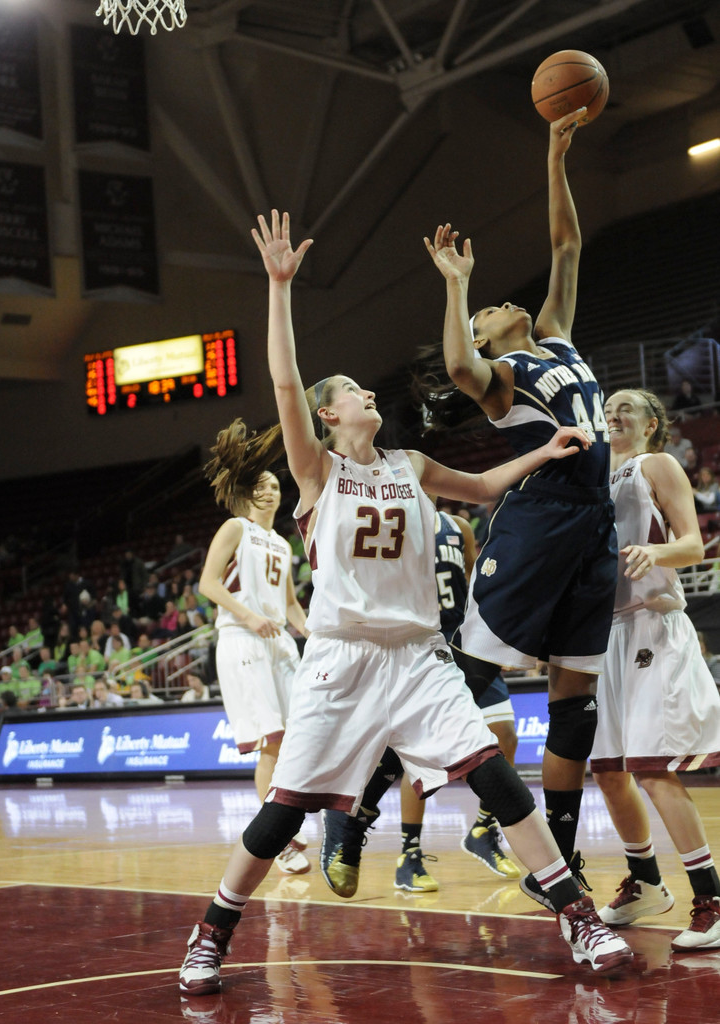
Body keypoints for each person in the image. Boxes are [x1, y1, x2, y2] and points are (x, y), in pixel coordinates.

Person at [177, 209, 632, 999]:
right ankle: (211, 932)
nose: (366, 392)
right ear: (328, 415)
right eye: (351, 391)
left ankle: (578, 918)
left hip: (419, 655)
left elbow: (483, 487)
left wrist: (544, 450)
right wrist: (279, 288)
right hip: (341, 660)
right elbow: (284, 380)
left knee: (495, 777)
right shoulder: (316, 472)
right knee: (283, 812)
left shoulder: (410, 464)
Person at [424, 109, 616, 904]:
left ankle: (556, 862)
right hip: (538, 522)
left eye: (495, 302)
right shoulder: (499, 381)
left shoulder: (557, 337)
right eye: (486, 314)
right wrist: (457, 288)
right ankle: (389, 801)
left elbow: (566, 246)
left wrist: (555, 154)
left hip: (594, 525)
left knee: (575, 705)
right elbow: (457, 368)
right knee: (468, 671)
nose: (501, 303)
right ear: (483, 336)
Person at [320, 504, 521, 897]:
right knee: (415, 758)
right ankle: (408, 854)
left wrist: (494, 639)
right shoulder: (392, 525)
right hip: (422, 649)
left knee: (505, 736)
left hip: (466, 644)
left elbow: (474, 586)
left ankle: (483, 829)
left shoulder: (457, 526)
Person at [591, 389, 720, 951]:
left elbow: (693, 545)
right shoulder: (592, 477)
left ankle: (711, 899)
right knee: (607, 771)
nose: (613, 414)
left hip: (652, 624)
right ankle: (645, 882)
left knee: (652, 769)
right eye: (607, 409)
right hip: (602, 636)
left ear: (651, 424)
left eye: (626, 408)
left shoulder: (656, 464)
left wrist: (656, 553)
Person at [197, 461, 310, 876]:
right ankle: (277, 842)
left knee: (298, 740)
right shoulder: (235, 528)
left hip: (278, 640)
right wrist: (248, 616)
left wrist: (312, 632)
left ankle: (283, 821)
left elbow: (291, 604)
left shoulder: (281, 542)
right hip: (243, 638)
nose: (269, 492)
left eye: (275, 486)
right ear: (246, 494)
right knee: (273, 743)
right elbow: (208, 583)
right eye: (261, 486)